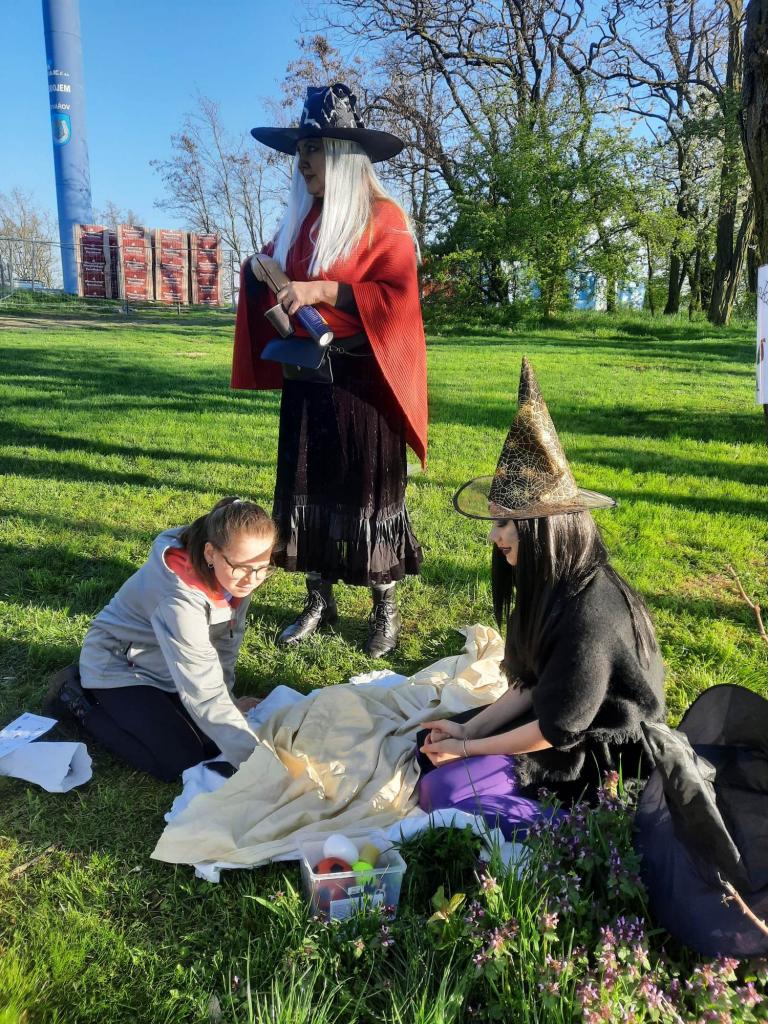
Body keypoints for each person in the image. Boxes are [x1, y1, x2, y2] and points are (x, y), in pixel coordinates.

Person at [418, 358, 666, 813]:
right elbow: (534, 683)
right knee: (427, 747)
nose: (493, 537)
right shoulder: (550, 583)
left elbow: (558, 729)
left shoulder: (590, 616)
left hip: (599, 754)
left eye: (503, 523)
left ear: (542, 529)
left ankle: (562, 828)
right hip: (558, 718)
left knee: (442, 793)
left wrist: (468, 749)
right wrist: (468, 731)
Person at [231, 83, 428, 659]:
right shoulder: (300, 220)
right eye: (300, 149)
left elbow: (397, 297)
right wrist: (261, 269)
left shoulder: (383, 218)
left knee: (368, 490)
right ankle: (319, 600)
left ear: (343, 154)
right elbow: (275, 272)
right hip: (308, 378)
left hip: (364, 381)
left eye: (315, 148)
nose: (304, 160)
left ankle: (384, 606)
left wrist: (320, 289)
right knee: (307, 485)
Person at [44, 497, 276, 781]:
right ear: (210, 553)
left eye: (263, 568)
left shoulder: (237, 576)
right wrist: (260, 767)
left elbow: (225, 643)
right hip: (118, 668)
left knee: (214, 743)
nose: (251, 579)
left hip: (168, 665)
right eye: (241, 567)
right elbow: (204, 693)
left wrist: (229, 699)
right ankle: (75, 698)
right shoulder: (178, 598)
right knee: (181, 762)